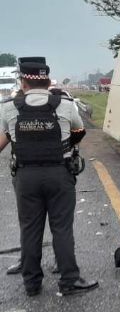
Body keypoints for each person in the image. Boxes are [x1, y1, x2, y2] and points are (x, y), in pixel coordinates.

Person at [0, 60, 98, 297]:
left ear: (23, 82)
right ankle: (69, 280)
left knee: (30, 229)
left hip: (25, 176)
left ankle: (31, 284)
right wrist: (64, 144)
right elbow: (79, 131)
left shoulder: (9, 108)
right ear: (48, 81)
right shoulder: (65, 105)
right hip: (59, 174)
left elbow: (2, 142)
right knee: (62, 228)